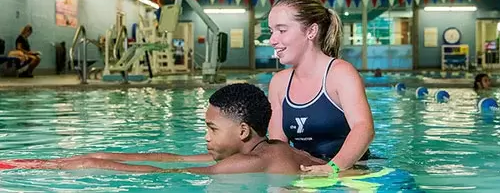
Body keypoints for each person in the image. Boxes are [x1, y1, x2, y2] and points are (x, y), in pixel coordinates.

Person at [0, 83, 332, 175]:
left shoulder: (252, 162)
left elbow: (161, 174)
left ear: (243, 131)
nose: (206, 136)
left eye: (212, 128)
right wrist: (98, 153)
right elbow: (173, 158)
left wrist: (91, 165)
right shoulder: (261, 149)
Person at [266, 0, 375, 174]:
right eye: (271, 31)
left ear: (311, 31)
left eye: (282, 30)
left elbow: (364, 128)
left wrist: (331, 169)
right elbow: (279, 145)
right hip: (308, 170)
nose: (272, 40)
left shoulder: (340, 73)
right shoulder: (279, 82)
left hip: (351, 170)